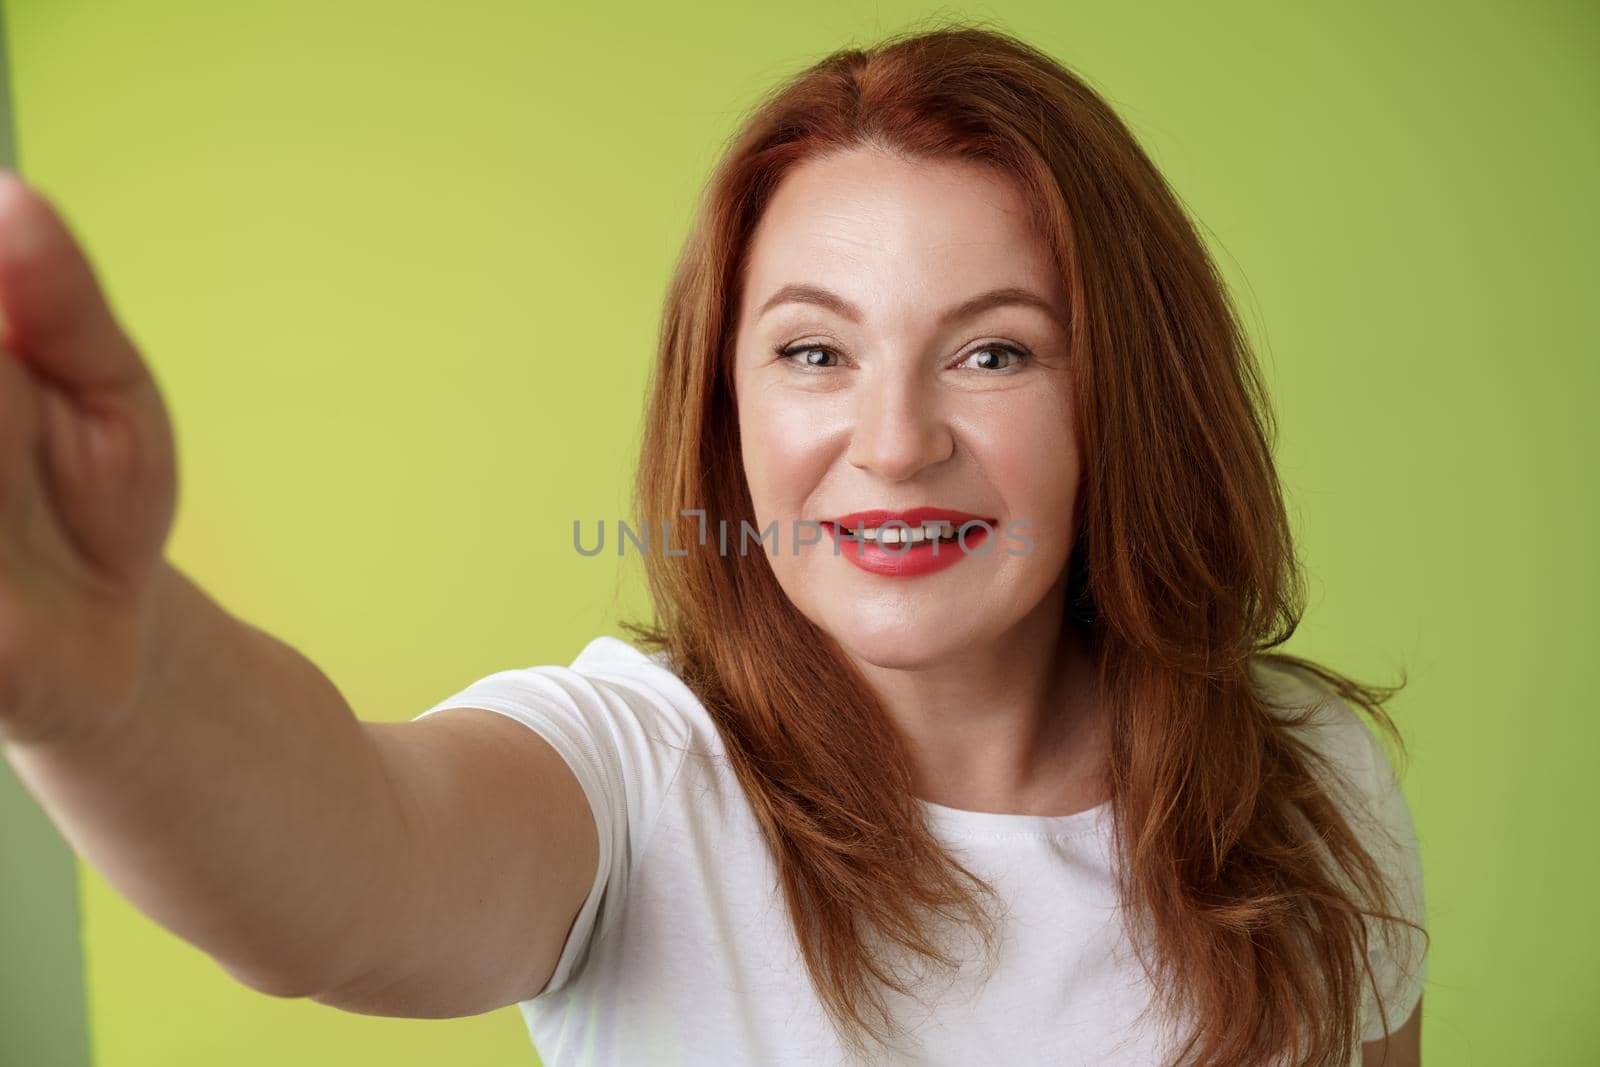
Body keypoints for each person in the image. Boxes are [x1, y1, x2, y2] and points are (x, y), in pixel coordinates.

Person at [0, 21, 1426, 1067]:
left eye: (994, 355)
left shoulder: (1307, 788)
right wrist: (116, 680)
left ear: (1126, 396)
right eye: (814, 350)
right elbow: (349, 866)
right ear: (725, 405)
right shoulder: (634, 775)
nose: (894, 439)